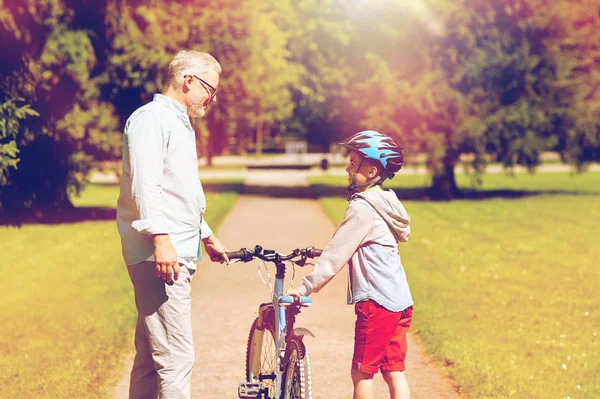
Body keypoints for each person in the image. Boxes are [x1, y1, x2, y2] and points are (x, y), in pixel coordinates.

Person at [116, 50, 229, 399]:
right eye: (210, 89)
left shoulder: (178, 120)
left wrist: (206, 234)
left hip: (172, 246)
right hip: (161, 254)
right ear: (188, 81)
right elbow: (145, 185)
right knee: (177, 358)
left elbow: (179, 191)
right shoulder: (152, 119)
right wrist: (161, 238)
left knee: (151, 358)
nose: (213, 98)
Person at [288, 130, 414, 399]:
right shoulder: (386, 203)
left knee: (362, 373)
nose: (347, 168)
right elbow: (363, 244)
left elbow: (335, 255)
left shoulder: (362, 208)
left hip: (377, 303)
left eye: (353, 163)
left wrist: (304, 288)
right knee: (394, 371)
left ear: (370, 171)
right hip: (400, 301)